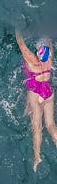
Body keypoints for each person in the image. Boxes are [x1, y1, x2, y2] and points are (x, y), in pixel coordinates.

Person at [15, 32, 57, 172]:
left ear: (39, 54)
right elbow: (49, 43)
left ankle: (37, 157)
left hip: (36, 94)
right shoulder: (49, 60)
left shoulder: (33, 60)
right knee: (51, 125)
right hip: (49, 94)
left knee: (37, 127)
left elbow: (21, 45)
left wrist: (17, 31)